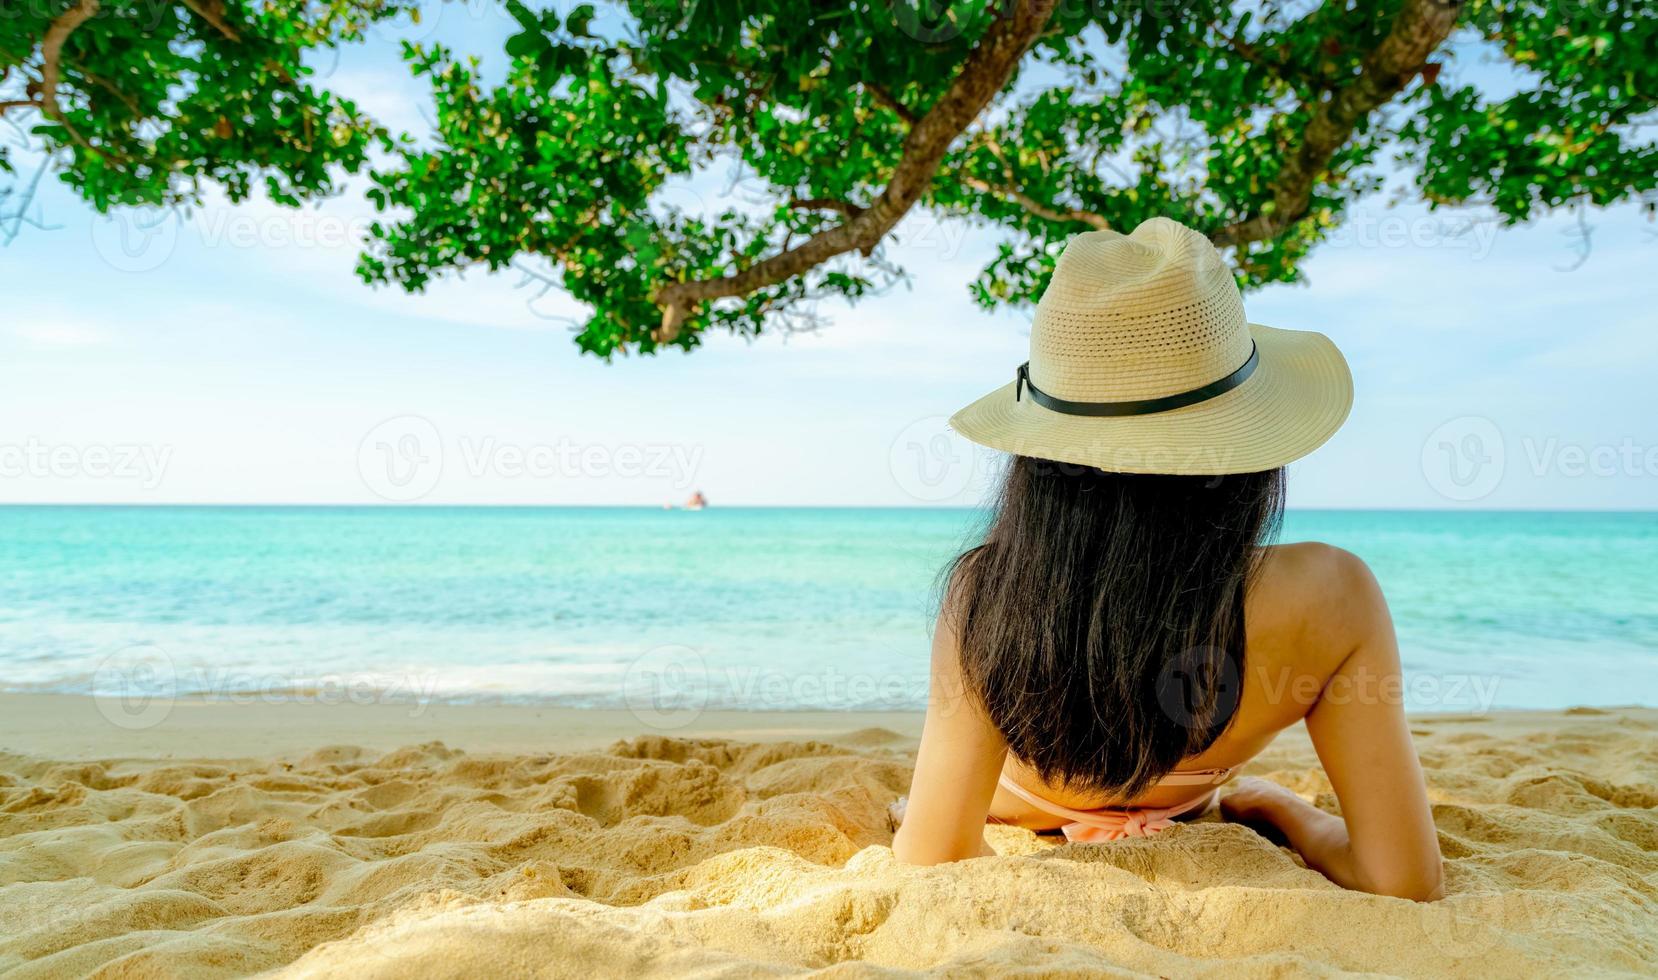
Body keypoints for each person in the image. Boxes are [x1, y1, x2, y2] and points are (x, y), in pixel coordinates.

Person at [890, 218, 1443, 901]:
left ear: (1040, 456)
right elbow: (1405, 883)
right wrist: (1280, 807)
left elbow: (930, 862)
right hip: (1192, 802)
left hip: (1026, 808)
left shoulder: (990, 593)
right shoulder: (1333, 595)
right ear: (1245, 441)